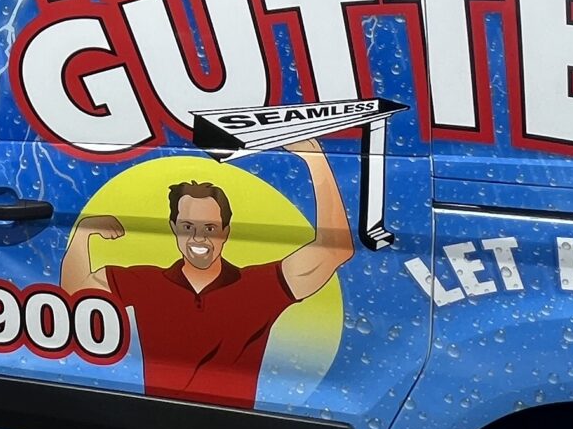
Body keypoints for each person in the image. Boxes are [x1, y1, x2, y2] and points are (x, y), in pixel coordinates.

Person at [59, 146, 354, 409]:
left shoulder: (259, 287)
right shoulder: (147, 283)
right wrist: (84, 232)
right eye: (188, 226)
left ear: (225, 231)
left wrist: (315, 159)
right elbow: (74, 293)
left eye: (210, 228)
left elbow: (333, 251)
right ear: (173, 227)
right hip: (155, 425)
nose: (198, 237)